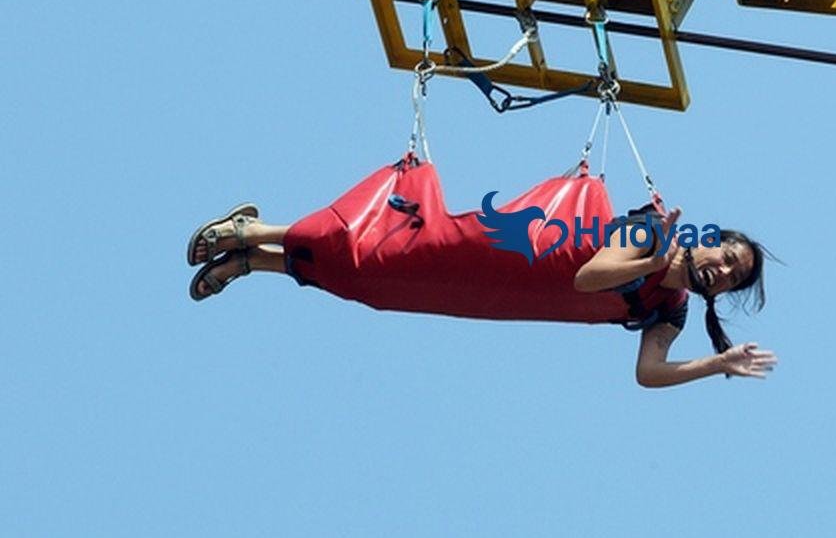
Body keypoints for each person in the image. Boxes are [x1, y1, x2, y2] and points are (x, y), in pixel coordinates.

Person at [186, 169, 778, 388]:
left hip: (495, 295)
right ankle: (256, 232)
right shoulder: (653, 237)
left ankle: (255, 262)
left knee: (380, 285)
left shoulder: (668, 311)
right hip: (495, 258)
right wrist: (654, 262)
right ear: (710, 243)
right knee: (385, 248)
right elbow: (590, 277)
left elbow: (648, 374)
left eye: (732, 277)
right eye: (726, 257)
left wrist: (715, 364)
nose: (723, 271)